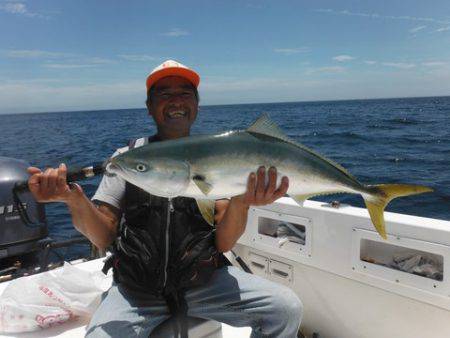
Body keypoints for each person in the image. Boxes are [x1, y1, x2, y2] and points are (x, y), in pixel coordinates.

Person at [27, 60, 303, 338]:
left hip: (204, 282)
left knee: (286, 309)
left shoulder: (218, 158)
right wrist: (73, 200)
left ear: (197, 105)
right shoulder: (128, 159)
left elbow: (224, 242)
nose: (176, 102)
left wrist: (241, 202)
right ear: (149, 106)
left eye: (185, 93)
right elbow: (103, 236)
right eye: (164, 94)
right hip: (138, 291)